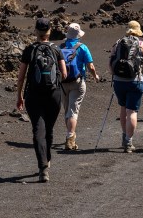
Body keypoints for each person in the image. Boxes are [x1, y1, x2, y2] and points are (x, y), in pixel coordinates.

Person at [16, 17, 67, 182]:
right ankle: (48, 160)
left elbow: (21, 77)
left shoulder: (29, 50)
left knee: (38, 129)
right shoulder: (56, 49)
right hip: (54, 94)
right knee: (49, 129)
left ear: (36, 31)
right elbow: (64, 74)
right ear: (49, 31)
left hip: (33, 95)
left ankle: (42, 168)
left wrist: (19, 96)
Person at [109, 20, 143, 153]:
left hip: (119, 82)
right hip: (135, 81)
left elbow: (110, 62)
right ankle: (129, 142)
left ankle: (124, 136)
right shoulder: (142, 44)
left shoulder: (118, 42)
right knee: (132, 111)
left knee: (123, 108)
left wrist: (115, 75)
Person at [59, 22, 100, 150]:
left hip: (63, 81)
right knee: (73, 110)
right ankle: (70, 138)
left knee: (67, 110)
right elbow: (90, 66)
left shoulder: (60, 46)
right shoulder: (82, 47)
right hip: (77, 82)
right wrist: (95, 76)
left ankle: (69, 135)